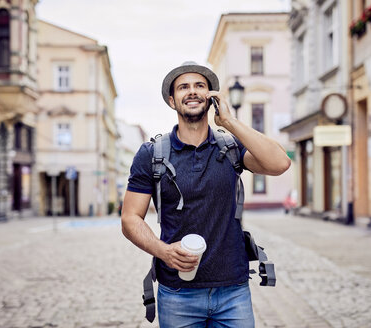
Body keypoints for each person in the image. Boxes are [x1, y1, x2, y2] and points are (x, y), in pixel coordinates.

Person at [121, 61, 291, 327]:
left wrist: (231, 122)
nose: (192, 91)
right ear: (171, 100)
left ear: (212, 98)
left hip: (233, 292)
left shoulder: (231, 148)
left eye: (200, 86)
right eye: (183, 87)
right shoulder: (151, 155)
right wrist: (164, 252)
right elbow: (130, 219)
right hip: (177, 293)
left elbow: (280, 163)